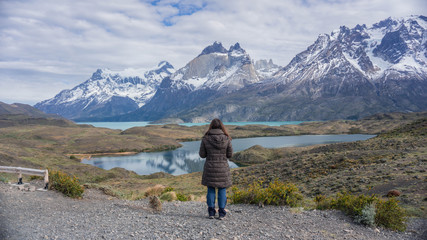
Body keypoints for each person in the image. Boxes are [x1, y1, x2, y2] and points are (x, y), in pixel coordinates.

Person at [199, 118, 233, 220]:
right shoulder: (227, 138)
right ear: (221, 127)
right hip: (222, 168)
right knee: (222, 189)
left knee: (211, 189)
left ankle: (211, 212)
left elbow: (202, 155)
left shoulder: (206, 138)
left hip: (210, 167)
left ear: (211, 126)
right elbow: (230, 155)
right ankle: (222, 213)